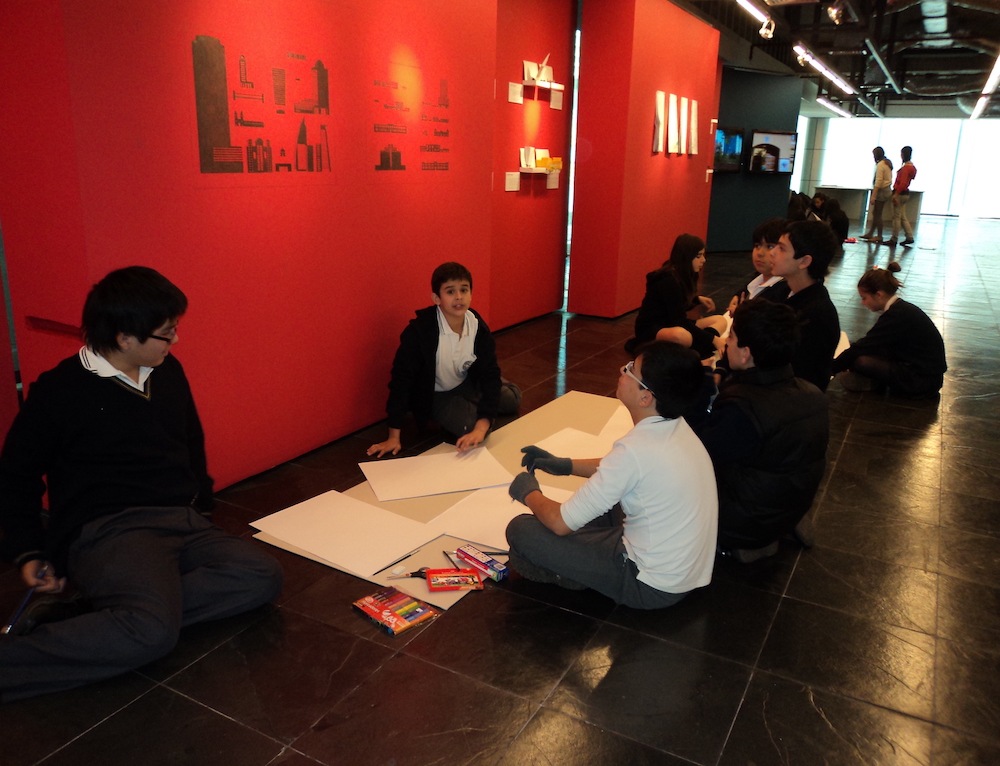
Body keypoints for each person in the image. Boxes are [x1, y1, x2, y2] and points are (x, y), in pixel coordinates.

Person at [0, 266, 283, 703]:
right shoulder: (59, 392)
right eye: (166, 334)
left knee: (260, 576)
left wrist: (200, 504)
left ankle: (116, 613)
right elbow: (15, 476)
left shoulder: (167, 371)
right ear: (123, 337)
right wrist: (30, 551)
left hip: (179, 519)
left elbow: (191, 442)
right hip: (109, 531)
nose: (176, 342)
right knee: (151, 634)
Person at [505, 341, 717, 609]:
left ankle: (575, 573)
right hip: (684, 573)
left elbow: (559, 522)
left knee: (522, 531)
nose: (622, 370)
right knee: (600, 506)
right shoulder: (677, 427)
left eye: (631, 369)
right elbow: (620, 471)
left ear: (645, 397)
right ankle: (580, 563)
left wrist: (528, 491)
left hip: (648, 586)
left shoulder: (634, 450)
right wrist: (566, 465)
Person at [693, 299, 829, 562]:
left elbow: (697, 451)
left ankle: (742, 541)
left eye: (730, 338)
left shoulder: (744, 408)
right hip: (790, 504)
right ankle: (779, 525)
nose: (726, 344)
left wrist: (703, 387)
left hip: (749, 522)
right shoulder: (811, 393)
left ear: (745, 353)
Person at [367, 262, 521, 457]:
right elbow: (401, 381)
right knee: (470, 426)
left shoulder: (476, 326)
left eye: (464, 290)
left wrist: (482, 425)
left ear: (471, 294)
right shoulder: (420, 332)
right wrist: (394, 437)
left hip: (465, 382)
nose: (459, 296)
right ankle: (477, 405)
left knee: (512, 400)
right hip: (436, 394)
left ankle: (477, 403)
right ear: (436, 298)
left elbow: (490, 372)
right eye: (450, 291)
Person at [833, 262, 946, 396]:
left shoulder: (896, 315)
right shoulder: (901, 309)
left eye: (864, 298)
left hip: (921, 382)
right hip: (927, 376)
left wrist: (831, 368)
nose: (863, 303)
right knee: (860, 354)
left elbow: (865, 345)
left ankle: (874, 383)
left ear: (879, 295)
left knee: (861, 361)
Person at [758, 220, 841, 391]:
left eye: (781, 248)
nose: (771, 253)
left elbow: (798, 376)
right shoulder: (781, 290)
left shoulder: (817, 315)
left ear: (804, 261)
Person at [627, 234, 728, 359]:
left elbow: (677, 303)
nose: (703, 260)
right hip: (653, 328)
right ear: (686, 257)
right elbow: (679, 320)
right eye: (698, 256)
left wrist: (697, 299)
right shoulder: (668, 280)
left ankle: (698, 346)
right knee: (680, 335)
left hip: (670, 324)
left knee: (720, 320)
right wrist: (713, 339)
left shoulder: (682, 274)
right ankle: (704, 345)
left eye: (703, 255)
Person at [726, 217, 786, 316]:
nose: (760, 253)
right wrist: (738, 296)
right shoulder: (759, 277)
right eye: (757, 246)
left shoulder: (781, 293)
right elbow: (748, 288)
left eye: (770, 246)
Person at [860, 146, 893, 244]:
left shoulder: (880, 165)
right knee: (876, 213)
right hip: (887, 189)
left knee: (878, 214)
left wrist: (873, 195)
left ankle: (879, 236)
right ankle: (871, 233)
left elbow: (879, 181)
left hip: (882, 191)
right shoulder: (887, 163)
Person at [884, 146, 917, 247]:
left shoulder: (905, 169)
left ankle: (894, 238)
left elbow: (902, 183)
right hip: (905, 193)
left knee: (896, 217)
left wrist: (895, 195)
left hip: (899, 193)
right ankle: (909, 236)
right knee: (902, 216)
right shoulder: (912, 168)